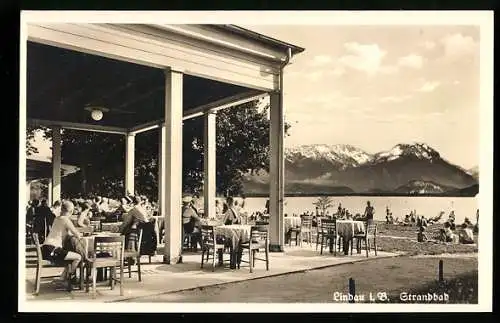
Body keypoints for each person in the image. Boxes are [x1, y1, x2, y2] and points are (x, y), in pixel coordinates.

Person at [42, 200, 83, 281]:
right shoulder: (66, 220)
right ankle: (70, 277)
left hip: (46, 249)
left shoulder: (57, 219)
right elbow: (77, 234)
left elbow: (62, 232)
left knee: (69, 255)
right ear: (71, 211)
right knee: (78, 257)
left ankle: (63, 276)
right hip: (53, 249)